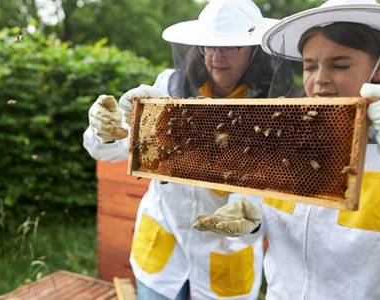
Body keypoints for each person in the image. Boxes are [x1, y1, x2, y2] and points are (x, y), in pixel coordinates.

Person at [83, 1, 290, 299]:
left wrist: (249, 211)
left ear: (253, 51)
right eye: (209, 45)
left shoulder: (272, 109)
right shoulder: (168, 84)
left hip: (224, 248)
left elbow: (272, 184)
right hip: (165, 236)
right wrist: (105, 130)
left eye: (230, 47)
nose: (217, 56)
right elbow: (118, 148)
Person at [193, 0, 380, 299]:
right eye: (309, 66)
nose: (319, 79)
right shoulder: (286, 138)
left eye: (340, 65)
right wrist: (249, 218)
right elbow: (263, 218)